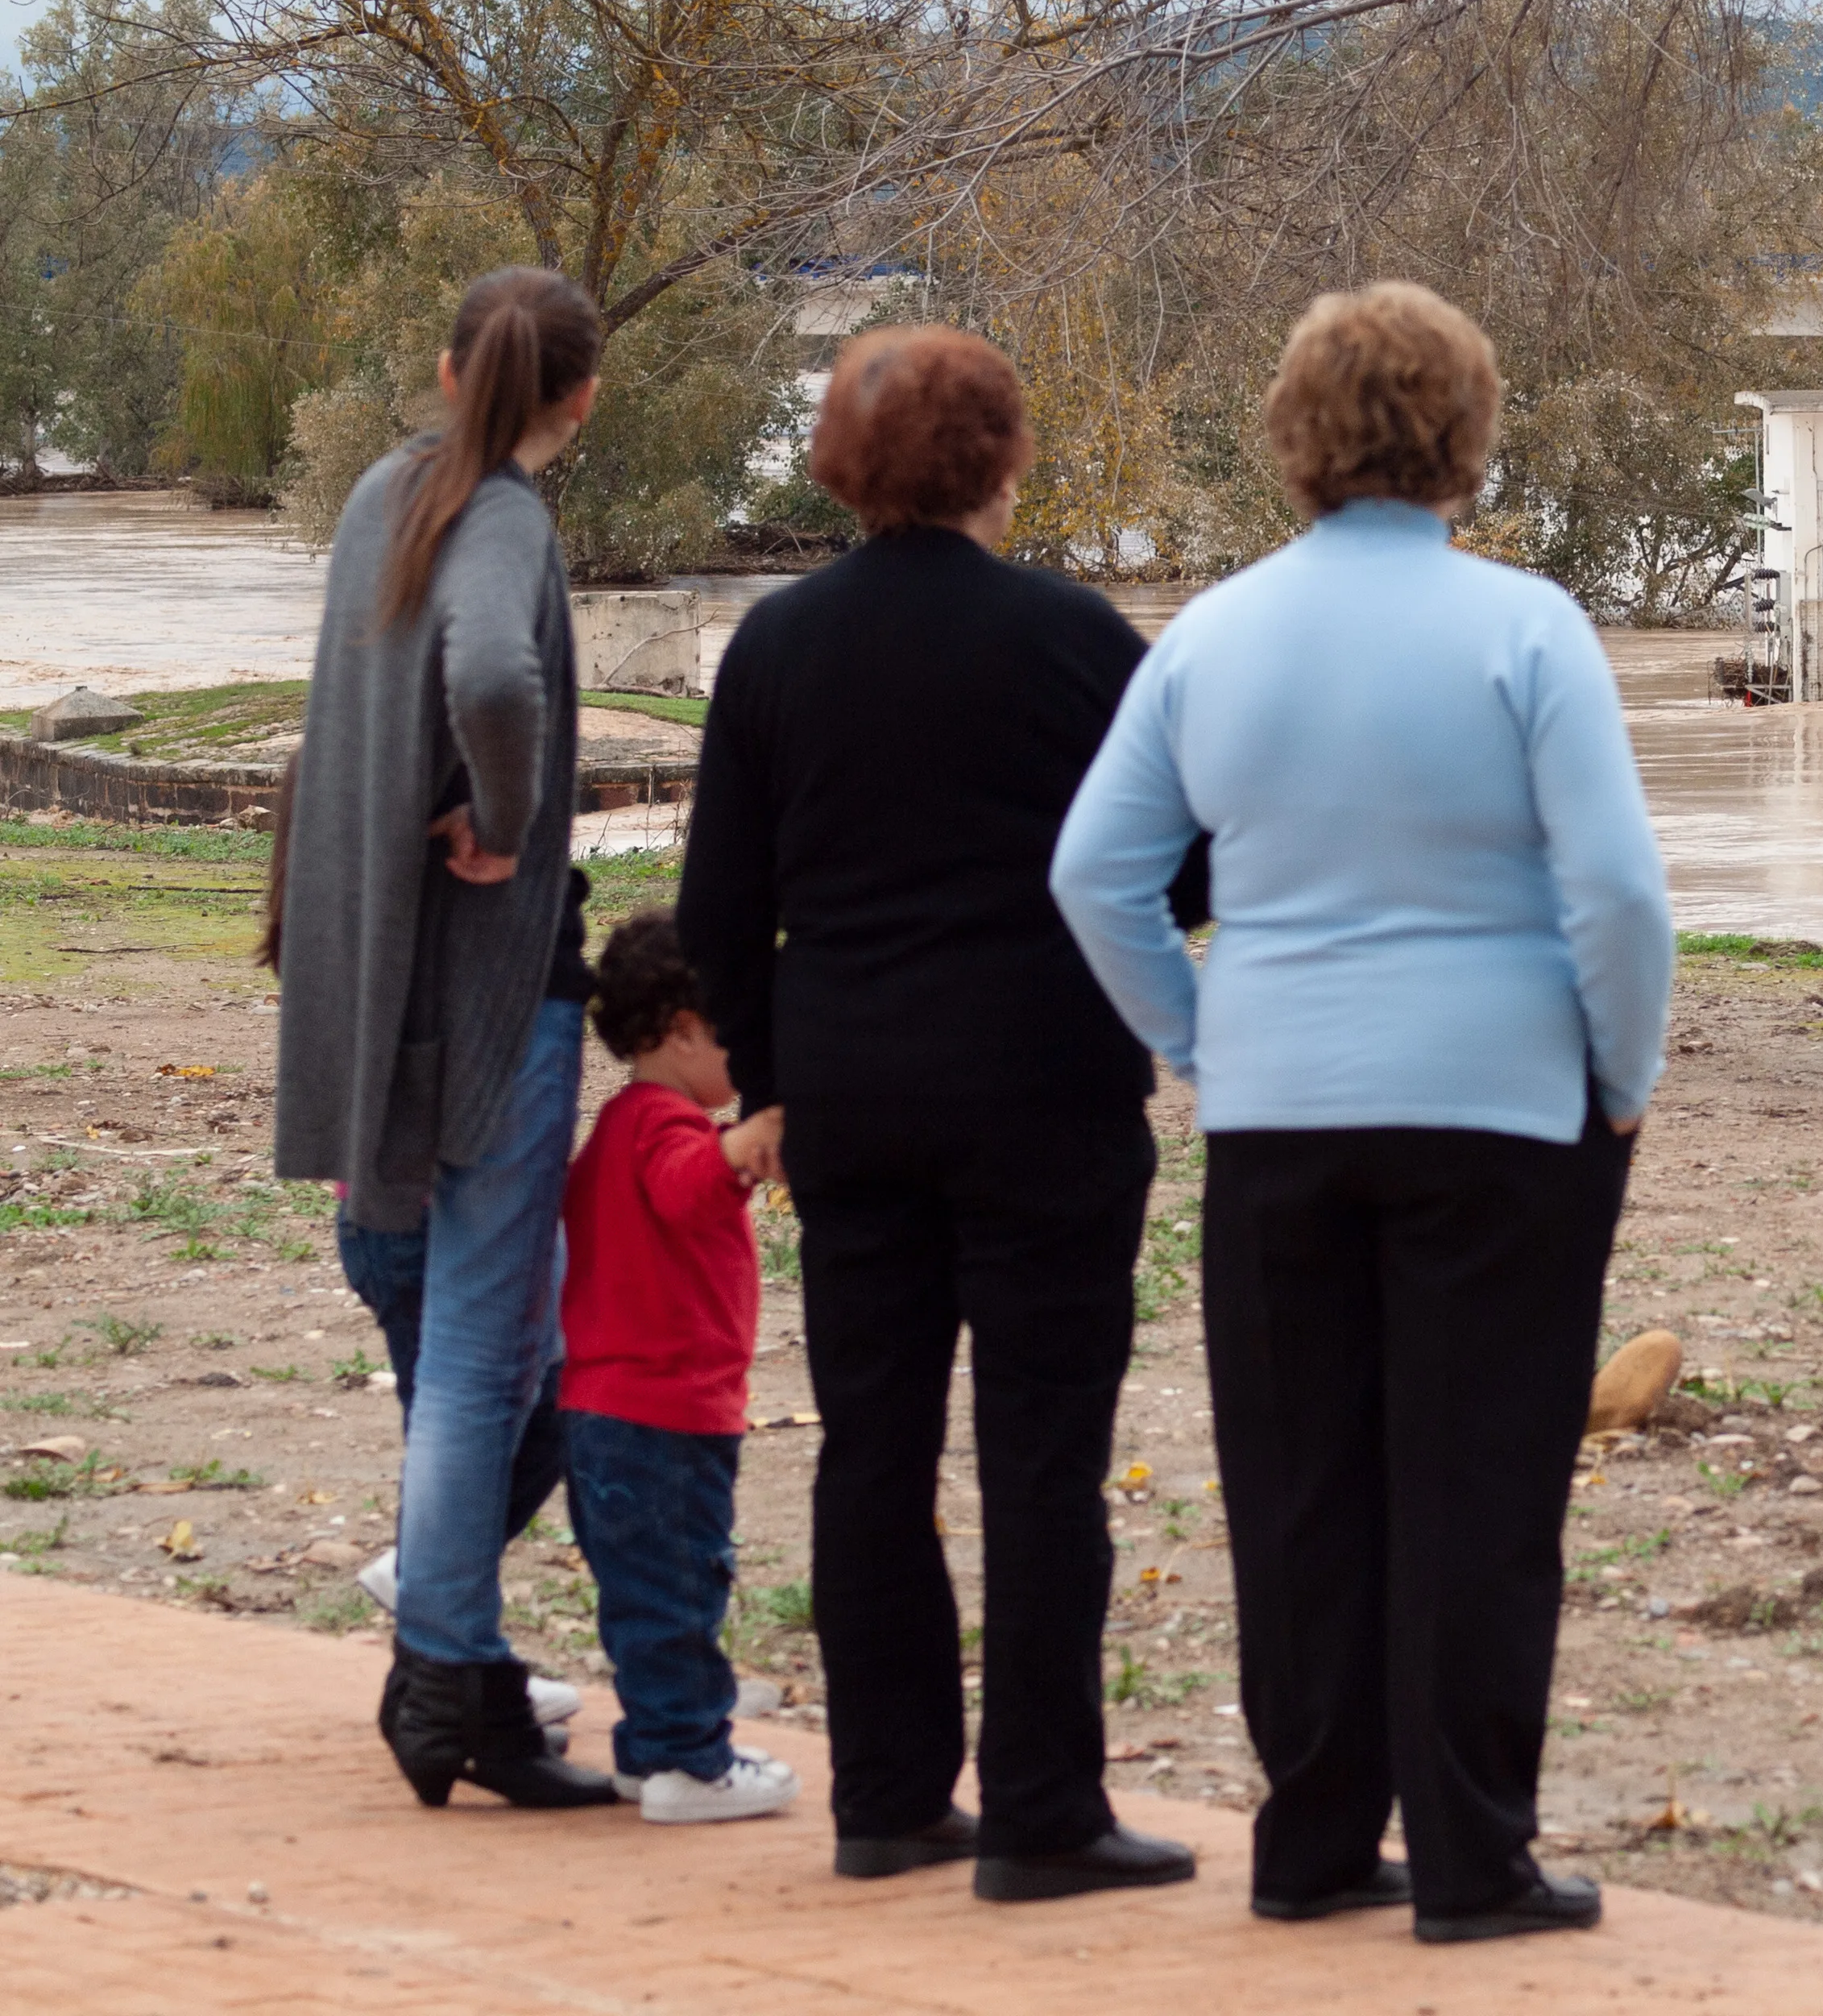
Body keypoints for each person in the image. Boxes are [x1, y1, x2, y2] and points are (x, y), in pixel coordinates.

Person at [1053, 280, 1674, 1948]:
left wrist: (1200, 1038)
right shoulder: (1525, 628)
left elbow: (1095, 874)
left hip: (1281, 1110)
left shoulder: (1212, 634)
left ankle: (1315, 1839)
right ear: (1467, 433)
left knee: (1302, 1486)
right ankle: (1476, 1856)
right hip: (1503, 1105)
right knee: (1482, 1490)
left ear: (1293, 437)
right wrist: (1619, 1071)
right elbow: (1615, 888)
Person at [677, 326, 1199, 1899]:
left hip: (851, 1095)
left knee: (870, 1447)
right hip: (1047, 1088)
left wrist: (768, 1081)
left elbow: (720, 907)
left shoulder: (774, 646)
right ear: (1008, 456)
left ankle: (890, 1799)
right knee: (1046, 1457)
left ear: (836, 462)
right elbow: (1181, 871)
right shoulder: (1077, 640)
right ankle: (1045, 1811)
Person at [271, 265, 615, 1809]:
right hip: (489, 992)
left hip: (375, 978)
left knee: (468, 1338)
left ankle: (456, 1663)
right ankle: (449, 1686)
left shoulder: (378, 496)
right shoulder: (507, 520)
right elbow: (491, 671)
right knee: (493, 1350)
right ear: (582, 396)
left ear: (440, 361)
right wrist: (509, 812)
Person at [259, 752, 576, 1690]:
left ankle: (437, 1626)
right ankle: (437, 1622)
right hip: (426, 1220)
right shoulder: (386, 952)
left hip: (397, 1224)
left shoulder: (336, 946)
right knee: (502, 1423)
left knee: (495, 1422)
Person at [561, 910, 796, 1823]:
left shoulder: (626, 1121)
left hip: (609, 1411)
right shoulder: (664, 1131)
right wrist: (740, 1149)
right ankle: (687, 1764)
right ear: (687, 1030)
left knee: (645, 1594)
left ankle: (650, 1747)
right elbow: (686, 1190)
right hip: (661, 1414)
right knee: (681, 1589)